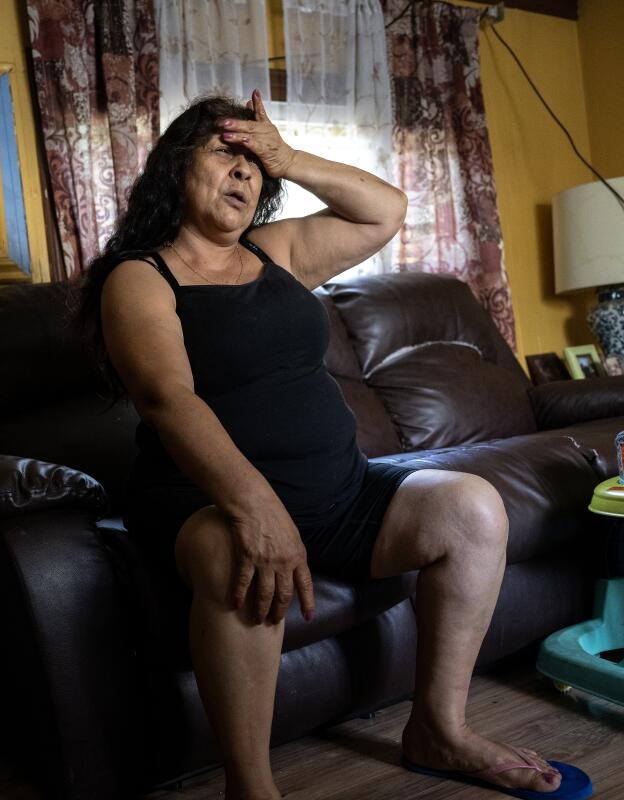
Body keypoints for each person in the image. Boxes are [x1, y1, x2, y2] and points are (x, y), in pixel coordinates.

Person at [74, 93, 590, 800]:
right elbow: (170, 398)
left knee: (472, 507)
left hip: (341, 495)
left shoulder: (275, 250)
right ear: (175, 166)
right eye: (227, 152)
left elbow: (385, 209)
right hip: (207, 504)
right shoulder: (141, 277)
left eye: (257, 164)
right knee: (235, 552)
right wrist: (256, 507)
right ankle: (251, 787)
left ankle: (439, 729)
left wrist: (288, 156)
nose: (245, 174)